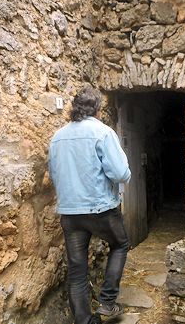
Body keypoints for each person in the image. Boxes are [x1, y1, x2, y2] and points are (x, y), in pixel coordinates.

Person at [48, 85, 131, 324]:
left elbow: (55, 174)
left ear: (74, 108)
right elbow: (119, 173)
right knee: (120, 244)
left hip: (70, 212)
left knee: (77, 269)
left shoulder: (57, 136)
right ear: (97, 108)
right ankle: (107, 302)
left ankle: (84, 321)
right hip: (100, 209)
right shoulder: (103, 132)